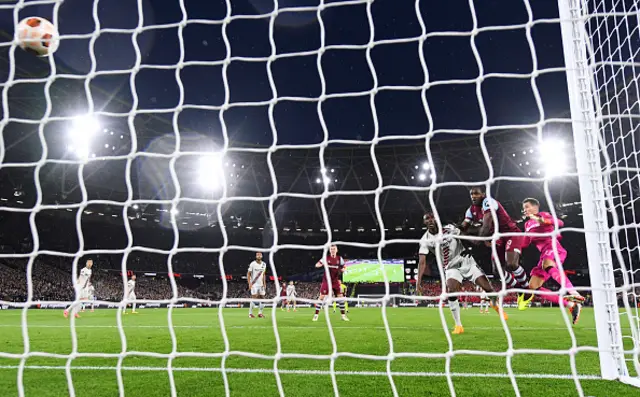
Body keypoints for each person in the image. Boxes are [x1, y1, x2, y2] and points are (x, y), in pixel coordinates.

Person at [417, 212, 507, 335]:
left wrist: (472, 248)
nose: (430, 220)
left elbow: (464, 236)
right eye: (427, 219)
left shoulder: (449, 228)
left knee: (487, 287)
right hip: (450, 267)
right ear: (424, 222)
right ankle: (458, 325)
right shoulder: (425, 240)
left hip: (466, 261)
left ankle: (495, 305)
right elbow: (422, 262)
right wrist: (418, 283)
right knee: (451, 290)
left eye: (432, 217)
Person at [518, 198, 583, 324]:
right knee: (533, 287)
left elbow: (560, 222)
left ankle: (574, 293)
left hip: (553, 247)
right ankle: (571, 305)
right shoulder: (527, 225)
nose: (525, 210)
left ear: (535, 207)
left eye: (527, 207)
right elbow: (525, 243)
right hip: (544, 254)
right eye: (524, 208)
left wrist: (541, 220)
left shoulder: (542, 215)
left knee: (547, 263)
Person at [468, 186, 529, 289]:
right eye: (472, 194)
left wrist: (478, 239)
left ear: (483, 194)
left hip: (510, 233)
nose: (473, 196)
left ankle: (527, 289)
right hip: (498, 238)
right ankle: (519, 289)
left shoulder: (488, 202)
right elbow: (466, 227)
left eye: (476, 193)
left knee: (511, 264)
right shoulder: (471, 210)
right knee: (497, 271)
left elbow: (486, 225)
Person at [313, 245, 349, 322]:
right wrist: (321, 264)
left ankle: (343, 316)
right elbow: (317, 264)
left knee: (340, 297)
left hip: (335, 281)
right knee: (322, 296)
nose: (332, 250)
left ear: (336, 250)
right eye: (331, 249)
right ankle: (316, 315)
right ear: (329, 250)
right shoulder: (326, 258)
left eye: (334, 249)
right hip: (326, 280)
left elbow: (344, 267)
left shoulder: (339, 258)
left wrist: (343, 270)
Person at [247, 252, 267, 318]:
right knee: (254, 298)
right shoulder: (252, 264)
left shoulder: (264, 264)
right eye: (257, 255)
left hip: (261, 284)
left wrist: (264, 283)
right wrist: (249, 283)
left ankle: (260, 313)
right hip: (254, 284)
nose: (259, 256)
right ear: (256, 256)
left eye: (260, 255)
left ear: (262, 256)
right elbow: (248, 274)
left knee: (263, 298)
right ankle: (250, 314)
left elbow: (263, 274)